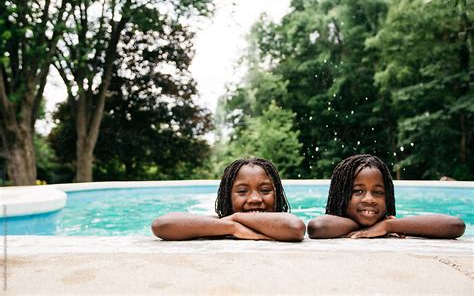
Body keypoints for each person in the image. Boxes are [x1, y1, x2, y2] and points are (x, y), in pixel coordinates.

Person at [307, 154, 465, 239]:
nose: (369, 199)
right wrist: (366, 227)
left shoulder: (391, 225)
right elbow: (317, 227)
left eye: (378, 192)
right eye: (358, 191)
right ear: (341, 196)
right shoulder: (333, 224)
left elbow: (455, 225)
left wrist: (387, 226)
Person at [151, 157, 306, 241]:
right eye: (242, 191)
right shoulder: (222, 222)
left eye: (265, 190)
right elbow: (161, 224)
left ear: (277, 195)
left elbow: (295, 228)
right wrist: (233, 227)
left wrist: (236, 217)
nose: (254, 199)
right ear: (227, 198)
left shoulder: (232, 218)